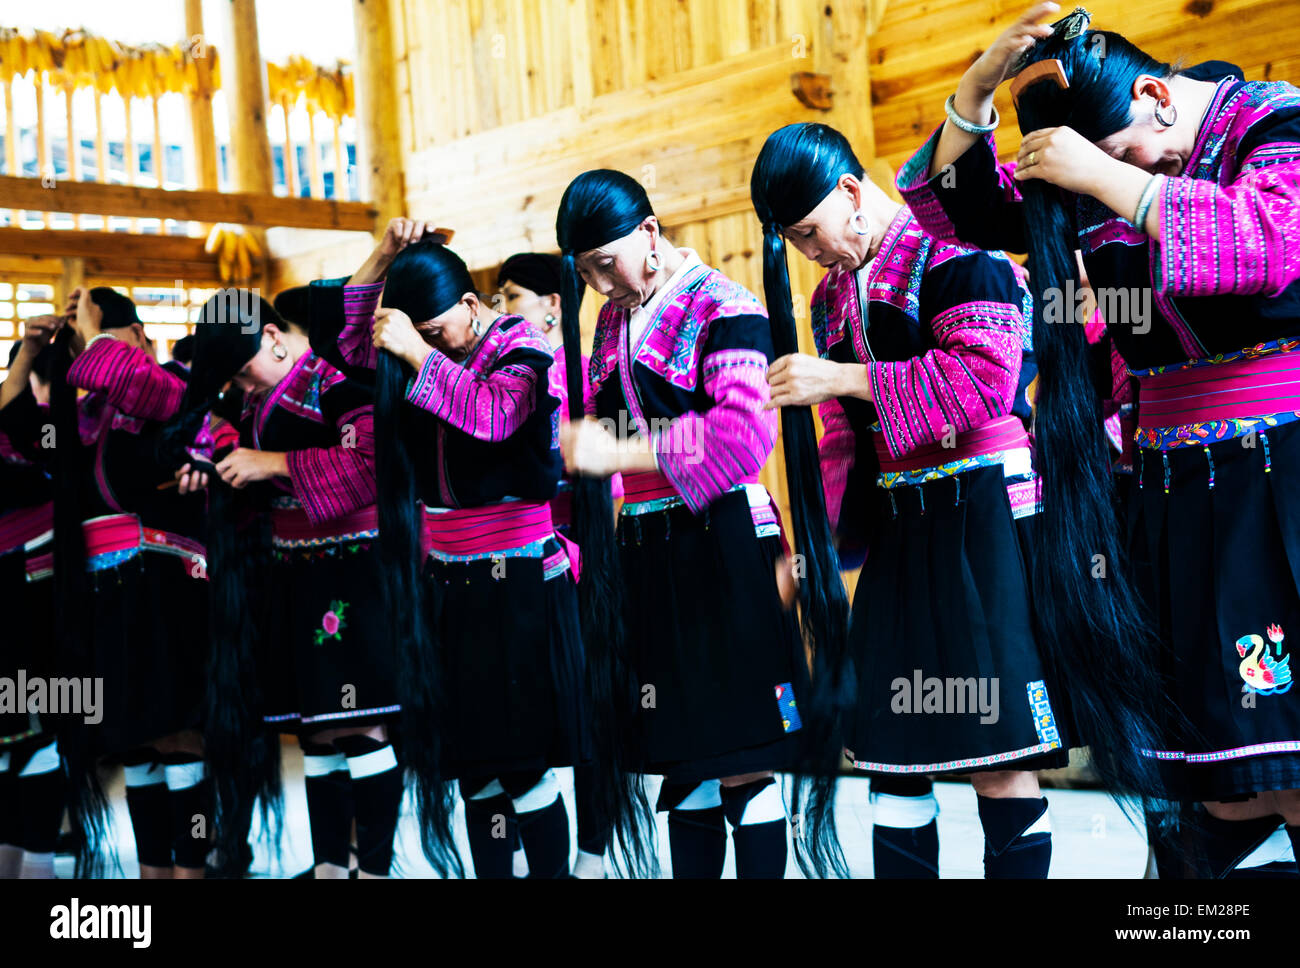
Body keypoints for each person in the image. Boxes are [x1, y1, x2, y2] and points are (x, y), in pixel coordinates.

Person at [899, 2, 1300, 876]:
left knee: (1284, 745)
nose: (1109, 180)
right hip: (1164, 490)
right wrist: (976, 88)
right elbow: (960, 216)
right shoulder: (1095, 174)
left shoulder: (1273, 120)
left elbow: (1273, 244)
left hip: (1277, 476)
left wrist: (1113, 178)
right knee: (1217, 766)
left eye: (1120, 154)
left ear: (1157, 96)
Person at [752, 121, 1072, 877]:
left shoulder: (958, 252)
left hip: (983, 518)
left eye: (809, 232)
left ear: (853, 193)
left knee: (998, 755)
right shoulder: (834, 299)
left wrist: (838, 379)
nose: (810, 254)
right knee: (891, 755)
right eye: (795, 243)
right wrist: (827, 548)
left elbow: (984, 385)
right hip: (901, 526)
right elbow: (843, 440)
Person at [556, 169, 842, 879]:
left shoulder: (725, 305)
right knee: (683, 763)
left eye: (606, 263)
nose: (600, 285)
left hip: (721, 545)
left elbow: (743, 435)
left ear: (649, 234)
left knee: (740, 757)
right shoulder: (614, 321)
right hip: (647, 548)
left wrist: (617, 452)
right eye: (586, 273)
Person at [329, 237, 585, 879]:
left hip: (518, 578)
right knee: (474, 771)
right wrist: (384, 255)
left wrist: (417, 352)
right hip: (446, 581)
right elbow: (345, 344)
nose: (434, 344)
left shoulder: (523, 349)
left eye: (439, 330)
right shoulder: (416, 347)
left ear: (472, 304)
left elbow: (496, 416)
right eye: (421, 336)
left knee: (523, 764)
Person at [163, 288, 403, 879]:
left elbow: (375, 464)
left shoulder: (335, 382)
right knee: (317, 729)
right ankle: (327, 867)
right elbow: (209, 435)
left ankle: (371, 870)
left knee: (361, 722)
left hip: (352, 568)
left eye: (244, 377)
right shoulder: (256, 400)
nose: (243, 392)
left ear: (272, 337)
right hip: (293, 571)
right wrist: (205, 466)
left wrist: (273, 465)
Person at [39, 287, 212, 878]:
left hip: (164, 586)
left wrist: (96, 329)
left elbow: (120, 372)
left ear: (139, 335)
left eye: (113, 335)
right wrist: (36, 351)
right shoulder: (81, 417)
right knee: (133, 739)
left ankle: (193, 869)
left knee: (179, 735)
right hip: (104, 591)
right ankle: (153, 873)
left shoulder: (167, 385)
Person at [498, 251, 612, 878]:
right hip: (517, 567)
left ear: (553, 305)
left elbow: (605, 477)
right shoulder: (500, 369)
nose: (500, 307)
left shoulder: (583, 372)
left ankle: (591, 856)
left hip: (577, 559)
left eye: (511, 294)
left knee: (591, 717)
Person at [0, 329, 64, 878]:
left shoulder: (50, 424)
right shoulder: (38, 422)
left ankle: (35, 868)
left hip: (34, 585)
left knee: (35, 734)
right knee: (24, 738)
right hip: (21, 586)